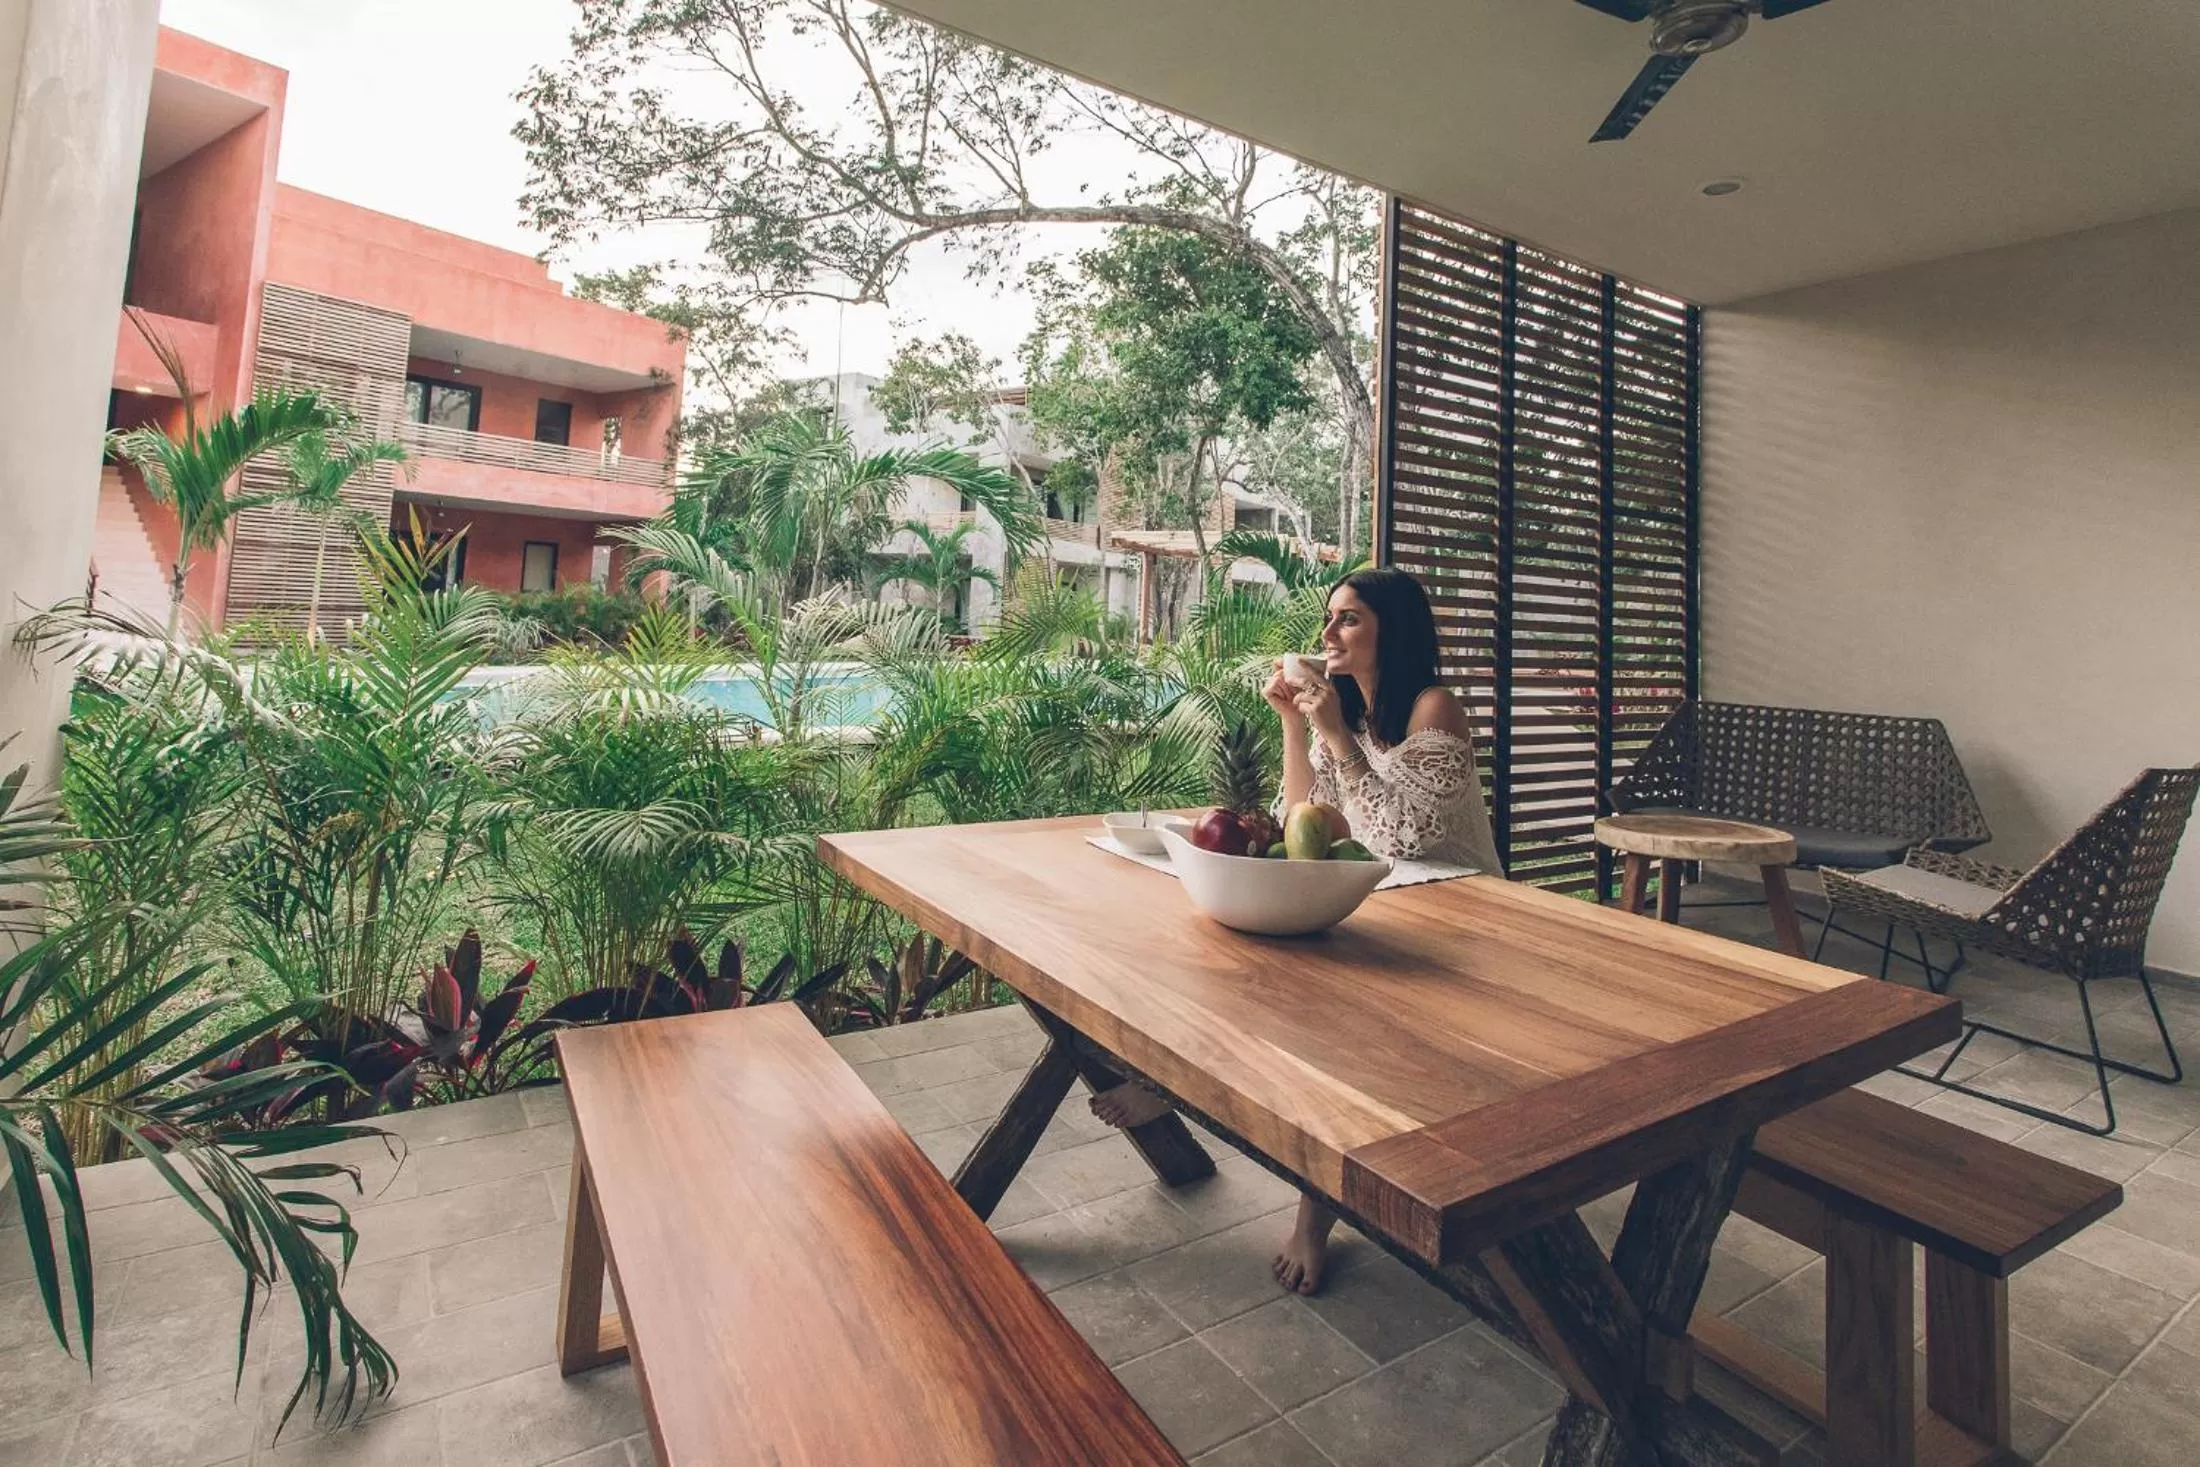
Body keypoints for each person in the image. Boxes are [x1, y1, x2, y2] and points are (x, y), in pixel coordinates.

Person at [1089, 566, 1504, 1295]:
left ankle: (1312, 1216)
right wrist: (1294, 721)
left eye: (1349, 618)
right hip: (1380, 898)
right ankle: (1185, 1081)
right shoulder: (1342, 706)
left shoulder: (1433, 707)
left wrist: (1333, 730)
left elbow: (1401, 836)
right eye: (1329, 617)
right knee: (1238, 950)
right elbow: (1299, 813)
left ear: (1391, 629)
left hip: (1460, 915)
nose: (1329, 632)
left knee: (1330, 1021)